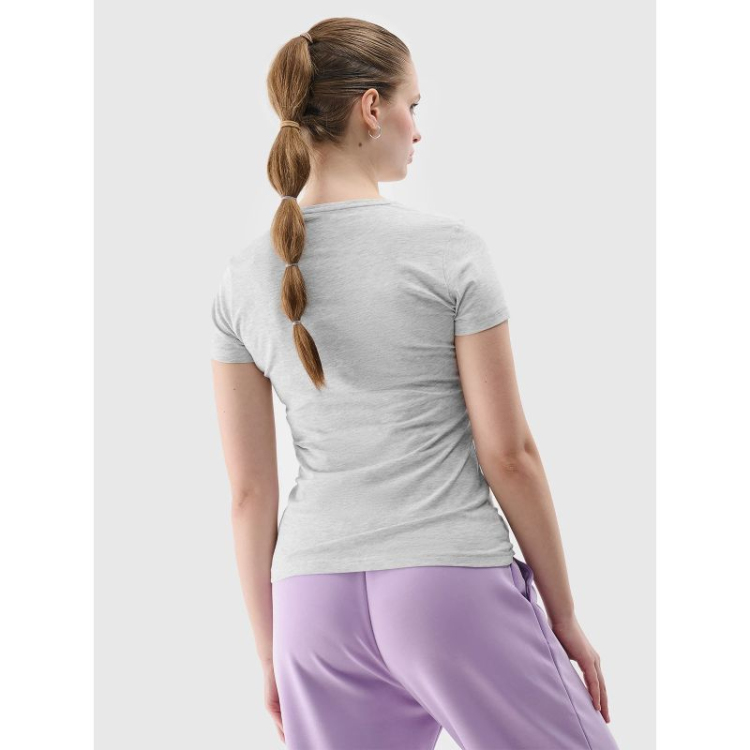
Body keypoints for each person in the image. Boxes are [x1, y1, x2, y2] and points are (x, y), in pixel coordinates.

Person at [210, 16, 620, 750]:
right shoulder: (448, 252)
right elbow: (510, 456)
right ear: (372, 108)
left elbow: (248, 495)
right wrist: (564, 618)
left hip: (310, 606)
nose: (417, 129)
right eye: (413, 105)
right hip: (448, 586)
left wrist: (272, 653)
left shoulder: (242, 278)